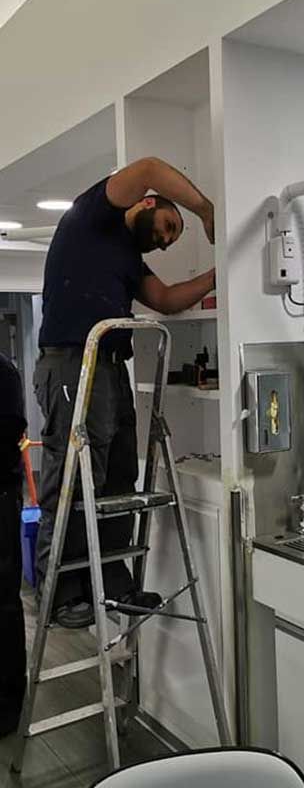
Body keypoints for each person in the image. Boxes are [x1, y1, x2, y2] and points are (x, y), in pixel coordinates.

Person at [34, 157, 216, 629]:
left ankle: (112, 584)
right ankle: (61, 594)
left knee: (117, 480)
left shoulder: (128, 260)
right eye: (168, 226)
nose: (165, 237)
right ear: (148, 203)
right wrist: (204, 209)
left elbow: (169, 300)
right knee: (75, 479)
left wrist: (223, 273)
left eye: (170, 238)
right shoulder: (92, 218)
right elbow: (151, 166)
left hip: (112, 368)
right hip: (73, 362)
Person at [0, 353, 27, 737]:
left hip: (0, 498)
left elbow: (8, 435)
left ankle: (6, 712)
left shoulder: (3, 374)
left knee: (2, 603)